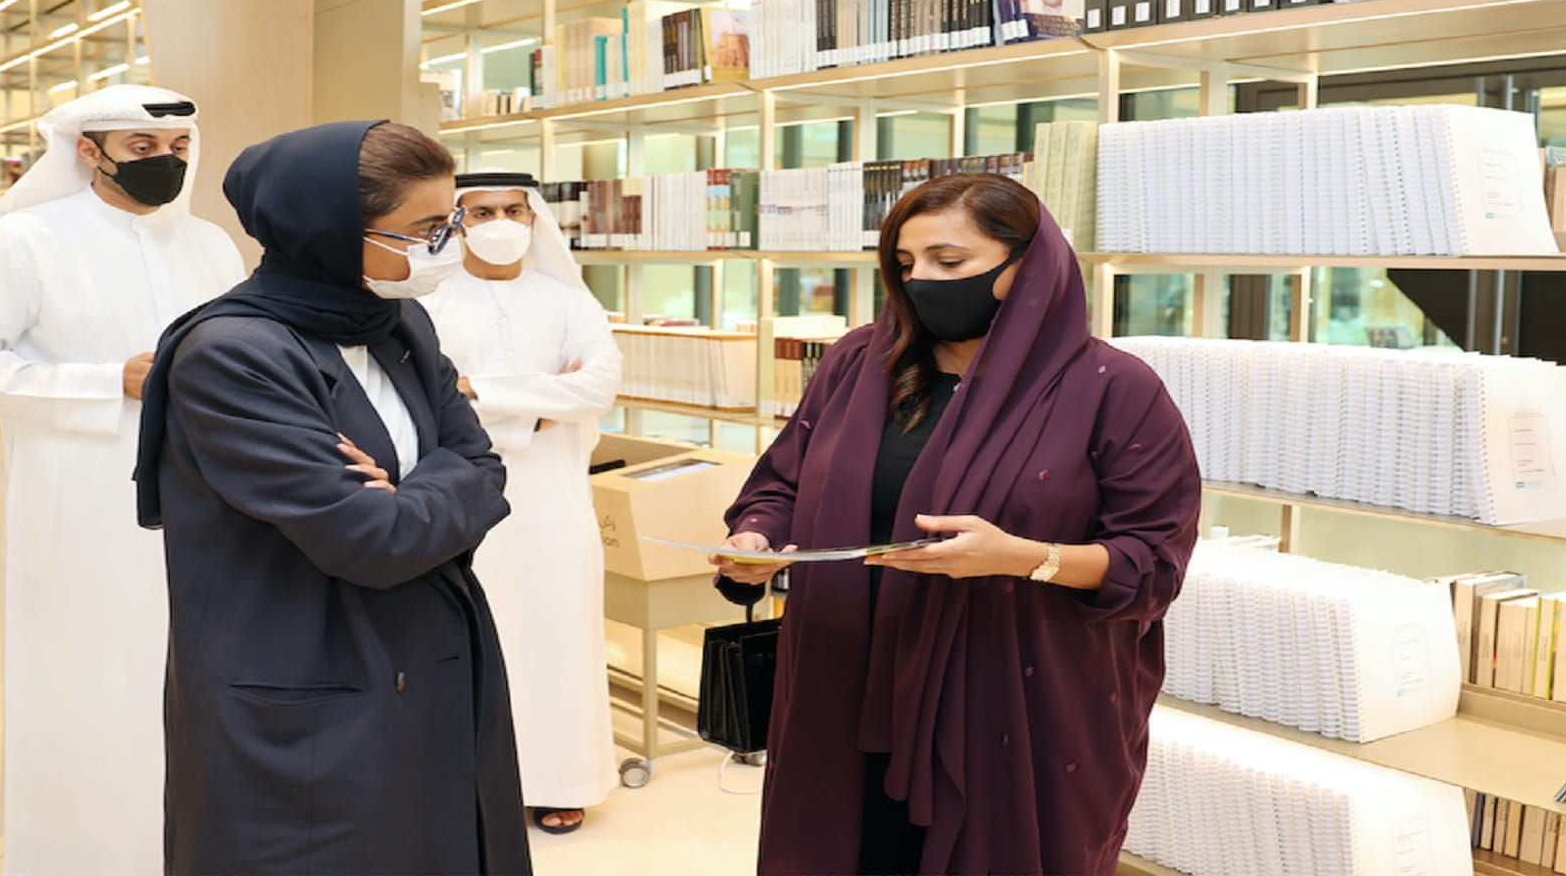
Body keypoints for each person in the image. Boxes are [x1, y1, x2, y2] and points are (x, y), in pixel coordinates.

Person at [712, 173, 1201, 875]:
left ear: (1027, 266)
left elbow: (1152, 563)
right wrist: (756, 538)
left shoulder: (1113, 389)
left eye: (949, 262)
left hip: (1010, 703)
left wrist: (1022, 557)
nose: (921, 282)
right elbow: (782, 482)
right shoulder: (859, 363)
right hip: (840, 684)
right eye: (906, 264)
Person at [134, 121, 531, 876]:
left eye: (447, 222)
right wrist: (431, 490)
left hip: (427, 655)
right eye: (422, 229)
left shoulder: (398, 323)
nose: (446, 245)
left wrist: (410, 495)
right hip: (303, 678)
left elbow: (483, 466)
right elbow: (371, 539)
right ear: (330, 231)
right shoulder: (232, 355)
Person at [0, 84, 244, 876]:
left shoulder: (210, 245)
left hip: (204, 498)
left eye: (177, 148)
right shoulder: (23, 239)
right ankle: (72, 848)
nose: (165, 161)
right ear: (89, 152)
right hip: (77, 503)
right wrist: (107, 382)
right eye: (143, 148)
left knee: (194, 677)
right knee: (83, 674)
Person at [421, 169, 624, 835]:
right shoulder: (429, 302)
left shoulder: (569, 301)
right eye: (482, 212)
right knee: (467, 638)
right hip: (457, 496)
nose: (501, 223)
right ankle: (471, 786)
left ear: (535, 218)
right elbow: (430, 396)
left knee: (557, 635)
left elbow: (597, 388)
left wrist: (482, 391)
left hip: (553, 501)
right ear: (457, 222)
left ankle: (561, 779)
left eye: (514, 209)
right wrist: (536, 409)